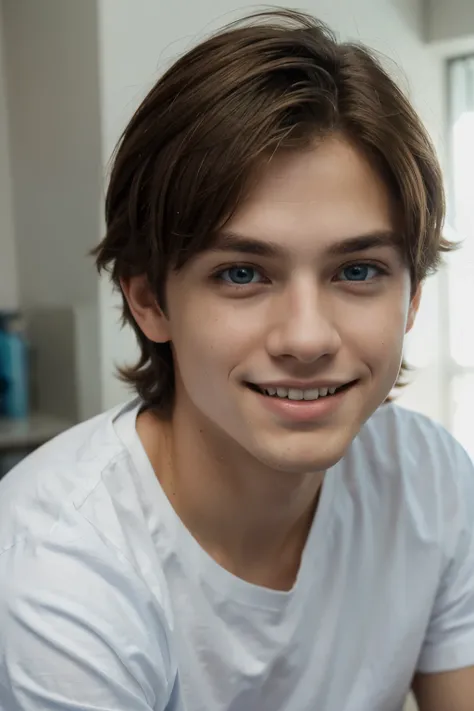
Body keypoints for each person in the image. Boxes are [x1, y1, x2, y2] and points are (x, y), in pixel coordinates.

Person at [0, 8, 473, 711]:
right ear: (149, 300)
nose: (307, 338)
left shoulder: (427, 478)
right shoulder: (61, 564)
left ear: (411, 297)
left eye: (359, 270)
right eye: (243, 274)